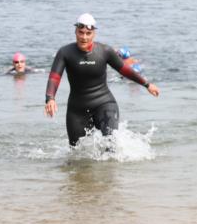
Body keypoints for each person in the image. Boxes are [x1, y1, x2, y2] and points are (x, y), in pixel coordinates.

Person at [44, 13, 160, 146]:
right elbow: (54, 77)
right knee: (76, 155)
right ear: (75, 31)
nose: (84, 37)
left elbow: (125, 70)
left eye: (88, 33)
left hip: (104, 104)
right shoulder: (65, 53)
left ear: (94, 34)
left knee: (110, 145)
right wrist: (50, 98)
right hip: (77, 110)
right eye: (81, 32)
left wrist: (147, 84)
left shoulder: (105, 51)